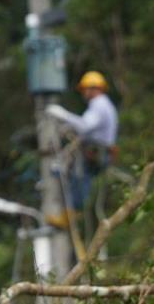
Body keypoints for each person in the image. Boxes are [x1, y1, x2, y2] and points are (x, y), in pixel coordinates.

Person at [45, 70, 118, 218]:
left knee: (80, 179)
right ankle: (68, 211)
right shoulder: (103, 105)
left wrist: (63, 114)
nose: (83, 93)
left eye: (85, 89)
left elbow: (84, 126)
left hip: (96, 152)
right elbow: (89, 129)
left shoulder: (99, 104)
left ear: (94, 89)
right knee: (72, 174)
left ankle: (68, 216)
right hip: (99, 151)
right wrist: (69, 127)